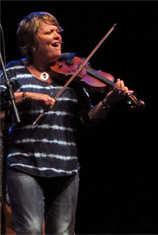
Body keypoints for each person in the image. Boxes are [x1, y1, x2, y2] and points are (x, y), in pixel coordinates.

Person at [0, 12, 132, 234]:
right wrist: (29, 96)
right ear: (32, 42)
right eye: (49, 32)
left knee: (62, 232)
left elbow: (86, 119)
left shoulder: (74, 75)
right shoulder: (13, 71)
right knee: (31, 229)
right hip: (25, 165)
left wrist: (109, 101)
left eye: (58, 31)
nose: (58, 36)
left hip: (66, 167)